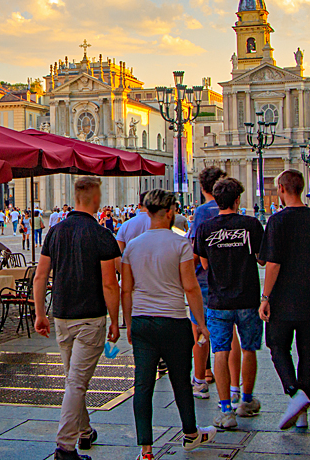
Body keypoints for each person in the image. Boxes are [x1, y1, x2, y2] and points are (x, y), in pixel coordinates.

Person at [120, 190, 217, 459]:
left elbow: (126, 290)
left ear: (147, 211)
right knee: (180, 381)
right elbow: (191, 287)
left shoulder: (133, 246)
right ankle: (190, 433)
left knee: (143, 384)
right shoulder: (180, 244)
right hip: (174, 320)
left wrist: (129, 323)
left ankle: (146, 448)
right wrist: (200, 322)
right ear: (171, 211)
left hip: (142, 321)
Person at [34, 177, 121, 460]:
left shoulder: (55, 231)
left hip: (61, 315)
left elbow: (40, 275)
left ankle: (84, 431)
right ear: (95, 199)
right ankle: (64, 447)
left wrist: (40, 314)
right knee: (76, 382)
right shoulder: (102, 234)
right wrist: (116, 320)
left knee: (73, 378)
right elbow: (110, 284)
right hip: (90, 318)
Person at [259, 169, 310, 431]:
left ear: (281, 188)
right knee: (308, 351)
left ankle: (294, 393)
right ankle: (303, 412)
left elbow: (272, 264)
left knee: (277, 346)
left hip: (283, 299)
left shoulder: (278, 221)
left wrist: (265, 297)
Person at [195, 178, 266, 429]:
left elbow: (203, 264)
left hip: (217, 301)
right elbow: (262, 260)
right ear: (237, 200)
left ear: (216, 199)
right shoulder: (252, 225)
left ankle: (226, 410)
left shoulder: (205, 227)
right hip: (247, 298)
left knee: (220, 352)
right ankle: (246, 401)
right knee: (248, 349)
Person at [188, 166, 226, 397]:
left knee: (200, 331)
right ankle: (229, 383)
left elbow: (195, 249)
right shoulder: (230, 207)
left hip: (203, 281)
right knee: (224, 331)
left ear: (202, 188)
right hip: (227, 280)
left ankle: (200, 378)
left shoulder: (203, 212)